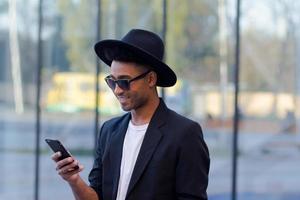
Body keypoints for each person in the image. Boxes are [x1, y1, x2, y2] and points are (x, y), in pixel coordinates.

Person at [52, 29, 210, 200]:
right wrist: (74, 179)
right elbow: (96, 196)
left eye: (124, 81)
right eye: (112, 82)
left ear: (151, 79)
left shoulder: (184, 133)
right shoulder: (109, 131)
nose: (117, 90)